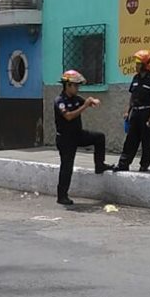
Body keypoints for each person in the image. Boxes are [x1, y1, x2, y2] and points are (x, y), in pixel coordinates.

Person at [53, 68, 113, 206]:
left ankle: (99, 165)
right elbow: (68, 116)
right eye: (76, 85)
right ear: (68, 85)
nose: (77, 88)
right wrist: (85, 106)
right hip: (65, 139)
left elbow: (87, 101)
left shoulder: (76, 99)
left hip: (77, 135)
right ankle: (62, 196)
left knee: (99, 137)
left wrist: (92, 101)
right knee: (67, 167)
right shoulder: (60, 101)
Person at [113, 49, 150, 173]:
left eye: (139, 63)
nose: (136, 66)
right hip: (136, 112)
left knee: (146, 140)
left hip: (147, 112)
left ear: (145, 65)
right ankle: (123, 163)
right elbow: (132, 96)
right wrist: (128, 111)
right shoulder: (135, 78)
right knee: (131, 139)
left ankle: (144, 165)